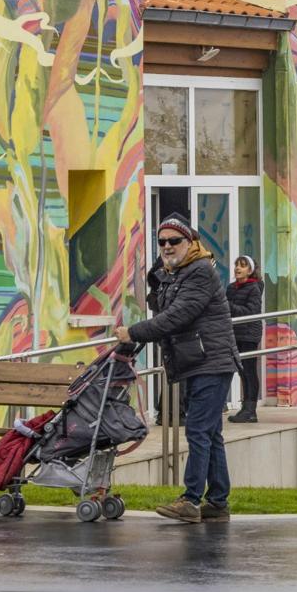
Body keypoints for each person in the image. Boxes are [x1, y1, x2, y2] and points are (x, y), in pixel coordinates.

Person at [116, 213, 240, 523]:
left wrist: (133, 332)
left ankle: (190, 499)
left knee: (198, 430)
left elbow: (177, 317)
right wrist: (157, 280)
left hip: (211, 361)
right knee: (210, 434)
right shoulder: (178, 272)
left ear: (191, 241)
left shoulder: (200, 272)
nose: (168, 246)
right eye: (162, 242)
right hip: (197, 361)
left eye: (175, 240)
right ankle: (218, 502)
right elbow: (165, 309)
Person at [226, 255, 264, 424]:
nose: (237, 268)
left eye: (242, 266)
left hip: (249, 333)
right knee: (241, 371)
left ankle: (251, 409)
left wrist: (229, 307)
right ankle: (245, 408)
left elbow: (251, 312)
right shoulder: (231, 288)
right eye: (236, 265)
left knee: (248, 370)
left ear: (250, 270)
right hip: (235, 333)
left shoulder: (253, 288)